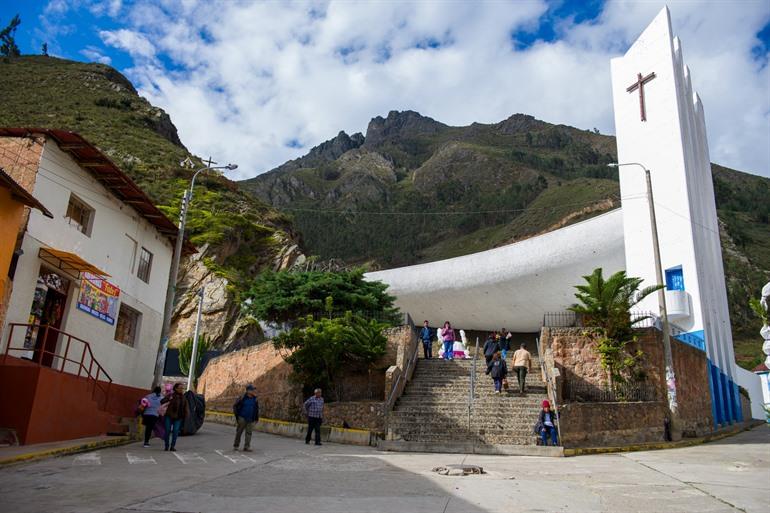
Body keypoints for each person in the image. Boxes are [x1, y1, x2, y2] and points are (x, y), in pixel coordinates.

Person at [160, 382, 189, 451]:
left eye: (182, 388)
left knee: (175, 431)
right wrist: (168, 398)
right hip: (169, 416)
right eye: (180, 388)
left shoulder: (183, 397)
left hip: (178, 417)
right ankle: (166, 445)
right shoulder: (171, 395)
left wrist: (186, 416)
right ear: (175, 388)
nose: (182, 389)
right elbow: (162, 401)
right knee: (167, 431)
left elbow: (186, 407)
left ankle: (172, 446)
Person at [232, 384, 260, 452]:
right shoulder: (242, 398)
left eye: (254, 389)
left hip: (250, 418)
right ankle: (236, 445)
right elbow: (235, 406)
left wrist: (256, 418)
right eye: (252, 390)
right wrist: (238, 416)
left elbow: (256, 409)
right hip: (242, 418)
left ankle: (247, 447)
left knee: (249, 433)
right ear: (248, 391)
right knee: (239, 432)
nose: (254, 391)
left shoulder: (255, 399)